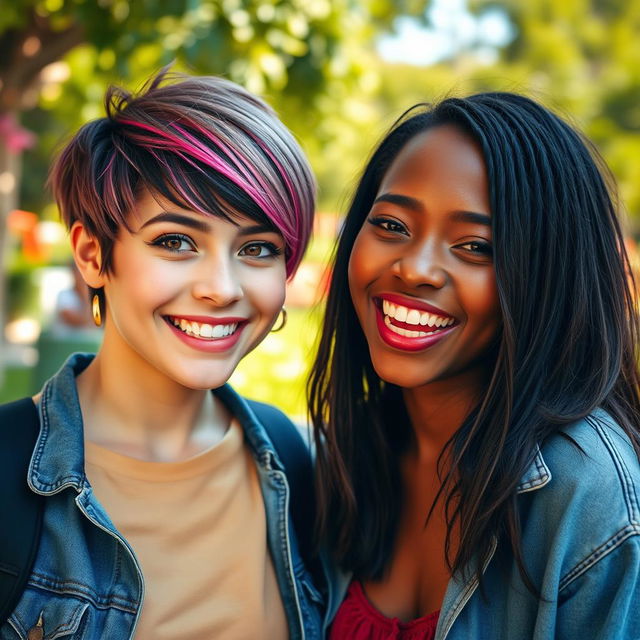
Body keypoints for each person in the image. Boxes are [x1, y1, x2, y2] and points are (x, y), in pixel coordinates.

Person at [0, 70, 322, 639]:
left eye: (258, 248)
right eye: (175, 241)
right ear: (93, 255)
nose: (221, 287)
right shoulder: (6, 472)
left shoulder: (291, 463)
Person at [308, 93, 640, 639]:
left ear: (548, 277)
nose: (415, 268)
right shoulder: (346, 454)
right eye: (391, 225)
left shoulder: (589, 496)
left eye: (475, 247)